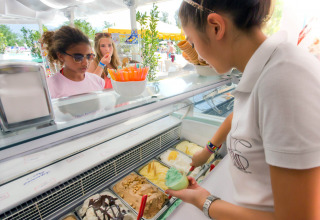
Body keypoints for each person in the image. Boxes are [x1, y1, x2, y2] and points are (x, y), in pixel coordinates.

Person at [166, 0, 320, 219]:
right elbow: (242, 115)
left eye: (192, 41)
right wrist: (208, 150)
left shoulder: (283, 79)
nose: (197, 55)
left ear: (215, 27)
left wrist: (205, 201)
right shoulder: (265, 69)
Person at [41, 26, 105, 99]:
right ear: (61, 56)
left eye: (88, 56)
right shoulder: (50, 87)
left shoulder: (98, 81)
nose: (85, 63)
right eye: (78, 57)